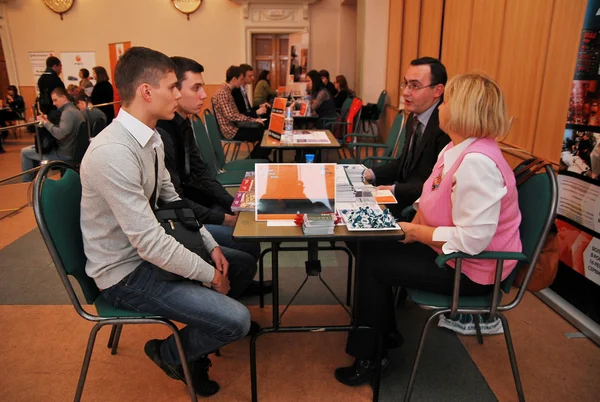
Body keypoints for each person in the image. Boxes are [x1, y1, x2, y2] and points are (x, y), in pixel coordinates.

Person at [80, 47, 251, 397]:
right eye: (173, 87)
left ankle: (199, 334)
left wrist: (211, 245)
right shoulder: (112, 153)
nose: (179, 94)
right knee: (238, 320)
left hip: (149, 253)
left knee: (242, 263)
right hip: (124, 273)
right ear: (146, 91)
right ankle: (171, 352)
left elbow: (174, 203)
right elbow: (149, 244)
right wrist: (209, 274)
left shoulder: (151, 136)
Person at [335, 72, 522, 387]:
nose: (442, 108)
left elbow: (473, 241)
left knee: (373, 264)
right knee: (366, 243)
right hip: (446, 251)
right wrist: (408, 228)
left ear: (462, 110)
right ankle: (383, 330)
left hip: (471, 269)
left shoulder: (478, 162)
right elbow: (428, 198)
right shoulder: (455, 149)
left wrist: (413, 232)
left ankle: (372, 355)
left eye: (447, 101)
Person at [156, 56, 271, 297]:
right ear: (176, 91)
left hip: (193, 202)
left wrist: (231, 205)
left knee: (248, 230)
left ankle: (239, 283)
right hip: (179, 219)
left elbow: (203, 174)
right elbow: (173, 201)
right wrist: (224, 218)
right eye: (196, 88)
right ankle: (230, 292)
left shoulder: (182, 124)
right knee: (245, 242)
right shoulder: (161, 134)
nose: (203, 95)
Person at [363, 57, 451, 216]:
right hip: (404, 194)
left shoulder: (446, 126)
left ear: (438, 91)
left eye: (415, 86)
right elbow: (403, 163)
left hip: (421, 208)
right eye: (405, 84)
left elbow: (438, 184)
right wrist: (370, 173)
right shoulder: (414, 117)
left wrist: (394, 189)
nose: (405, 92)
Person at [21, 87, 83, 181]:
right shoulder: (75, 110)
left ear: (64, 98)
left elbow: (61, 134)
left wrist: (46, 123)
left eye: (55, 100)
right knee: (34, 149)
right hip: (72, 150)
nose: (54, 103)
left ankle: (27, 183)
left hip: (64, 153)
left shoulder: (68, 113)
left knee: (25, 152)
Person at [212, 65, 271, 159]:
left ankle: (257, 158)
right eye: (241, 79)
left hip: (235, 127)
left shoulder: (227, 92)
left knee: (266, 133)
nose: (242, 82)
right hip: (232, 131)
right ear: (234, 79)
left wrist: (253, 119)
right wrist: (253, 120)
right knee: (267, 136)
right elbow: (231, 116)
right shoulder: (223, 93)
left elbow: (234, 115)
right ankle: (252, 160)